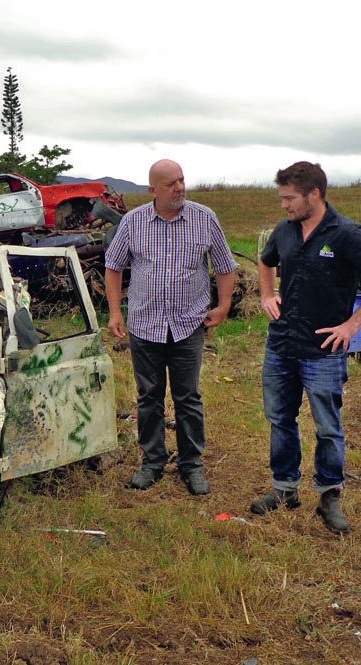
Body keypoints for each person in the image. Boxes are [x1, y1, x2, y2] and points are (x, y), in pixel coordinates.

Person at [252, 161, 361, 534]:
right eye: (282, 198)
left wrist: (354, 323)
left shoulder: (347, 234)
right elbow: (266, 261)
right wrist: (267, 294)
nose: (284, 205)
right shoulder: (285, 231)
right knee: (280, 419)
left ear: (314, 194)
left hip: (323, 350)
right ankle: (284, 488)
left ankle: (329, 496)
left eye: (290, 198)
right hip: (282, 344)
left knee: (328, 427)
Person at [104, 159, 237, 496]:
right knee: (149, 396)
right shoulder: (133, 222)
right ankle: (153, 462)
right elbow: (113, 266)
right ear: (153, 190)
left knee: (188, 397)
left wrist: (223, 306)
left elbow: (225, 266)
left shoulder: (204, 218)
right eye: (171, 183)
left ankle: (192, 464)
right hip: (145, 325)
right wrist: (115, 312)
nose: (179, 187)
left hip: (188, 324)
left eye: (181, 180)